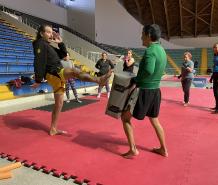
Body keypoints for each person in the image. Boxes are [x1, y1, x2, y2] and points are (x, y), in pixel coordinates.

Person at [31, 24, 111, 136]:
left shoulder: (48, 46)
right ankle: (99, 80)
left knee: (59, 104)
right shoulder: (40, 44)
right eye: (48, 32)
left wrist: (60, 43)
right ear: (41, 33)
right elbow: (38, 61)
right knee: (74, 71)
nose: (51, 34)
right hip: (53, 73)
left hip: (57, 76)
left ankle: (53, 129)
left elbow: (64, 55)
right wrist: (38, 79)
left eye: (51, 32)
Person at [120, 24, 168, 158]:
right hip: (155, 91)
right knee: (155, 120)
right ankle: (164, 149)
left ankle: (133, 150)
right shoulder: (162, 50)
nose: (141, 37)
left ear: (148, 35)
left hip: (144, 91)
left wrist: (136, 80)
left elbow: (148, 70)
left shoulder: (150, 51)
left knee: (125, 118)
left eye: (142, 34)